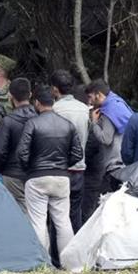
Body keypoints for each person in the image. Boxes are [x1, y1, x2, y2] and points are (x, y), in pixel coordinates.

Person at [16, 88, 83, 263]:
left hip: (37, 177)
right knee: (63, 221)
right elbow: (78, 154)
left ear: (37, 103)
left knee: (38, 221)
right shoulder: (67, 124)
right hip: (62, 178)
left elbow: (22, 153)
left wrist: (30, 170)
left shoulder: (33, 123)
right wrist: (63, 166)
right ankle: (69, 263)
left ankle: (42, 262)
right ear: (53, 103)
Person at [51, 70, 90, 233]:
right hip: (79, 168)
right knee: (75, 213)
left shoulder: (54, 109)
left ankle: (55, 255)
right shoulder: (84, 108)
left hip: (58, 168)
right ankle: (76, 252)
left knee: (56, 216)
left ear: (54, 89)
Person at [85, 79, 132, 209]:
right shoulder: (119, 103)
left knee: (105, 204)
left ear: (98, 95)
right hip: (126, 161)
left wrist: (93, 122)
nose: (89, 102)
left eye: (90, 97)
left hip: (113, 164)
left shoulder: (108, 112)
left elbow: (106, 139)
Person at [0, 77, 37, 212]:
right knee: (37, 211)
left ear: (10, 96)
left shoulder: (8, 121)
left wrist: (1, 169)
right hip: (36, 172)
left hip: (12, 174)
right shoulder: (40, 118)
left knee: (17, 211)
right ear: (30, 94)